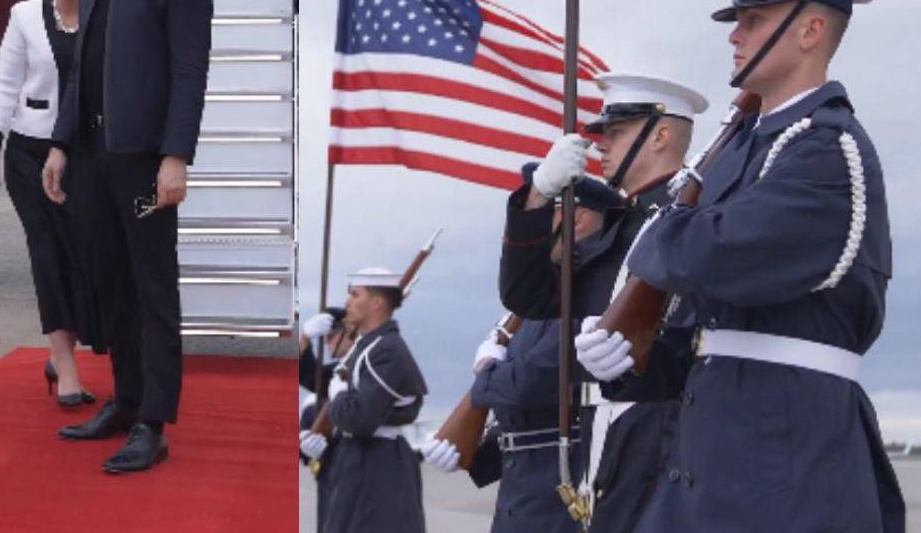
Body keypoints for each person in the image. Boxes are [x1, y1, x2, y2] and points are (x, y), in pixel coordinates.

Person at [575, 0, 904, 533]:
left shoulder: (828, 148)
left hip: (787, 461)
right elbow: (710, 328)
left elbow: (715, 254)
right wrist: (629, 361)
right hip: (707, 463)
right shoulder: (741, 153)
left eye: (754, 20)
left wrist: (661, 228)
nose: (735, 35)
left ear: (810, 31)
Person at [43, 0, 213, 473]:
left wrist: (176, 157)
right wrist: (61, 144)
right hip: (92, 159)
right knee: (110, 287)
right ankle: (126, 400)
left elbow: (189, 74)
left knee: (152, 291)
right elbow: (80, 73)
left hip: (144, 161)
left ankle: (153, 422)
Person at [497, 75, 707, 531]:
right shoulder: (619, 227)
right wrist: (539, 195)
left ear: (661, 135)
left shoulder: (692, 219)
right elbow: (527, 295)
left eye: (616, 132)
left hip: (659, 432)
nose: (600, 145)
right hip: (601, 436)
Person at [421, 172, 623, 533]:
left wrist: (486, 373)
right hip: (525, 491)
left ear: (577, 218)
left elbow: (539, 379)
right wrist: (480, 453)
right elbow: (528, 413)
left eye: (546, 211)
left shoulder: (594, 285)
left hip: (560, 493)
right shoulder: (542, 293)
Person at [0, 0, 99, 407]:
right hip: (29, 152)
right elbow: (7, 82)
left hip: (84, 154)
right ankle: (66, 367)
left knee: (81, 254)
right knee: (47, 253)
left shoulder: (102, 13)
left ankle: (61, 352)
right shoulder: (25, 15)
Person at [298, 268, 427, 533]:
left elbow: (359, 419)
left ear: (376, 303)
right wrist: (305, 339)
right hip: (358, 459)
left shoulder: (386, 350)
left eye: (355, 295)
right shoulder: (367, 348)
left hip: (377, 465)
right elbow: (314, 379)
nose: (348, 302)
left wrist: (338, 394)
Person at [298, 307, 354, 532]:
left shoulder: (367, 365)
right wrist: (305, 338)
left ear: (349, 332)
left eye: (331, 336)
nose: (328, 344)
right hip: (335, 471)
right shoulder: (339, 371)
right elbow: (310, 377)